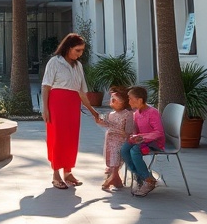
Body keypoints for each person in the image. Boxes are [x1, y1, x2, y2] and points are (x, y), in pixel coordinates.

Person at [41, 32, 103, 189]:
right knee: (57, 138)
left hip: (72, 105)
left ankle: (68, 173)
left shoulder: (78, 66)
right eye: (78, 50)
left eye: (82, 50)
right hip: (56, 104)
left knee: (71, 138)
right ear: (68, 48)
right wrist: (45, 108)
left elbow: (81, 91)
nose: (80, 54)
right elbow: (46, 86)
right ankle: (56, 175)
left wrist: (93, 111)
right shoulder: (54, 62)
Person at [119, 85, 165, 197]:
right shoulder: (136, 113)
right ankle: (142, 176)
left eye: (130, 98)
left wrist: (142, 138)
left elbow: (158, 132)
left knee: (135, 150)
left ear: (139, 100)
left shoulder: (152, 112)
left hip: (155, 142)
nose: (128, 101)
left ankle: (148, 181)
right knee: (124, 150)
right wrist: (131, 136)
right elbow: (137, 132)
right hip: (142, 140)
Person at [98, 88, 136, 191]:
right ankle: (115, 177)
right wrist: (102, 123)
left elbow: (128, 132)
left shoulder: (128, 114)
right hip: (111, 139)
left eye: (115, 99)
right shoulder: (111, 114)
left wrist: (113, 129)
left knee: (115, 147)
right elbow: (110, 125)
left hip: (122, 140)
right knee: (111, 145)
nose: (112, 101)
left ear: (124, 102)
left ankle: (114, 176)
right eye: (111, 98)